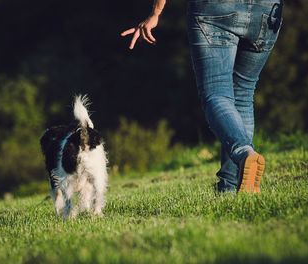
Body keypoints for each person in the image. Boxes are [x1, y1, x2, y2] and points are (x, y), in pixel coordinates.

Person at [121, 0, 283, 193]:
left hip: (215, 9)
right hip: (266, 10)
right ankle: (230, 186)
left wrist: (156, 12)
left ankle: (243, 153)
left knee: (217, 92)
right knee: (243, 94)